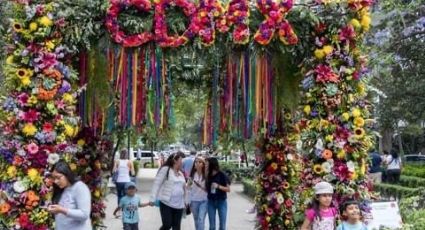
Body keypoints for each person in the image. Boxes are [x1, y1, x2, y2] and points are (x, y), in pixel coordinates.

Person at [48, 161, 92, 230]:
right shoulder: (60, 189)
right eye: (54, 178)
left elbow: (84, 214)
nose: (55, 181)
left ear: (67, 174)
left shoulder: (79, 187)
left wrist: (62, 210)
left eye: (58, 177)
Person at [149, 151, 187, 230]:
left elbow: (184, 188)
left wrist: (186, 201)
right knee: (167, 225)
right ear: (175, 161)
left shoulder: (181, 173)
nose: (182, 163)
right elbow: (157, 184)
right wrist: (152, 198)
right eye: (181, 160)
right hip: (167, 203)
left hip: (179, 205)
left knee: (176, 227)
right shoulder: (166, 170)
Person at [206, 157, 231, 230]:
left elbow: (228, 189)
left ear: (212, 164)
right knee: (212, 226)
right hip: (211, 201)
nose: (206, 165)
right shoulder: (208, 174)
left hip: (221, 201)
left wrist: (218, 186)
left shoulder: (222, 174)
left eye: (207, 164)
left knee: (222, 226)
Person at [187, 157, 208, 230]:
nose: (197, 163)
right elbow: (188, 189)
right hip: (194, 201)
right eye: (196, 162)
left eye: (200, 162)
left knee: (201, 219)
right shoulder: (191, 177)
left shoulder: (206, 175)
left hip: (204, 201)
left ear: (203, 164)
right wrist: (188, 203)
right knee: (196, 220)